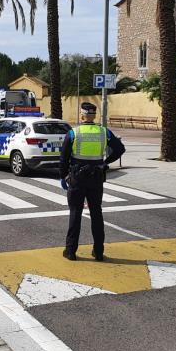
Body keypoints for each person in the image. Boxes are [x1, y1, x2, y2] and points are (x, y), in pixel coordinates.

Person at [60, 102, 125, 261]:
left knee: (76, 213)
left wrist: (63, 176)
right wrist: (105, 163)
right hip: (96, 178)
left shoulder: (73, 133)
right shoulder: (104, 132)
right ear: (94, 115)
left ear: (81, 116)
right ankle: (99, 251)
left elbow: (64, 158)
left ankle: (70, 251)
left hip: (77, 179)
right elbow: (120, 149)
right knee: (96, 213)